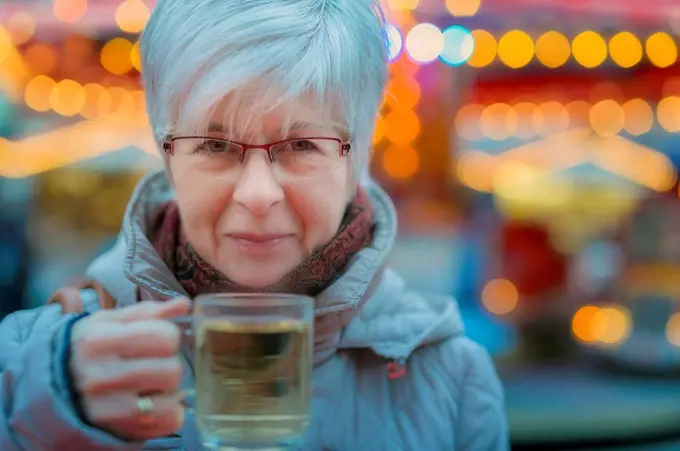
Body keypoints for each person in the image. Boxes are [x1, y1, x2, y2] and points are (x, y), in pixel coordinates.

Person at [0, 0, 508, 449]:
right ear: (168, 155)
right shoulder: (24, 364)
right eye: (216, 145)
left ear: (356, 158)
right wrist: (52, 412)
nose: (258, 194)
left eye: (302, 145)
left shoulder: (451, 380)